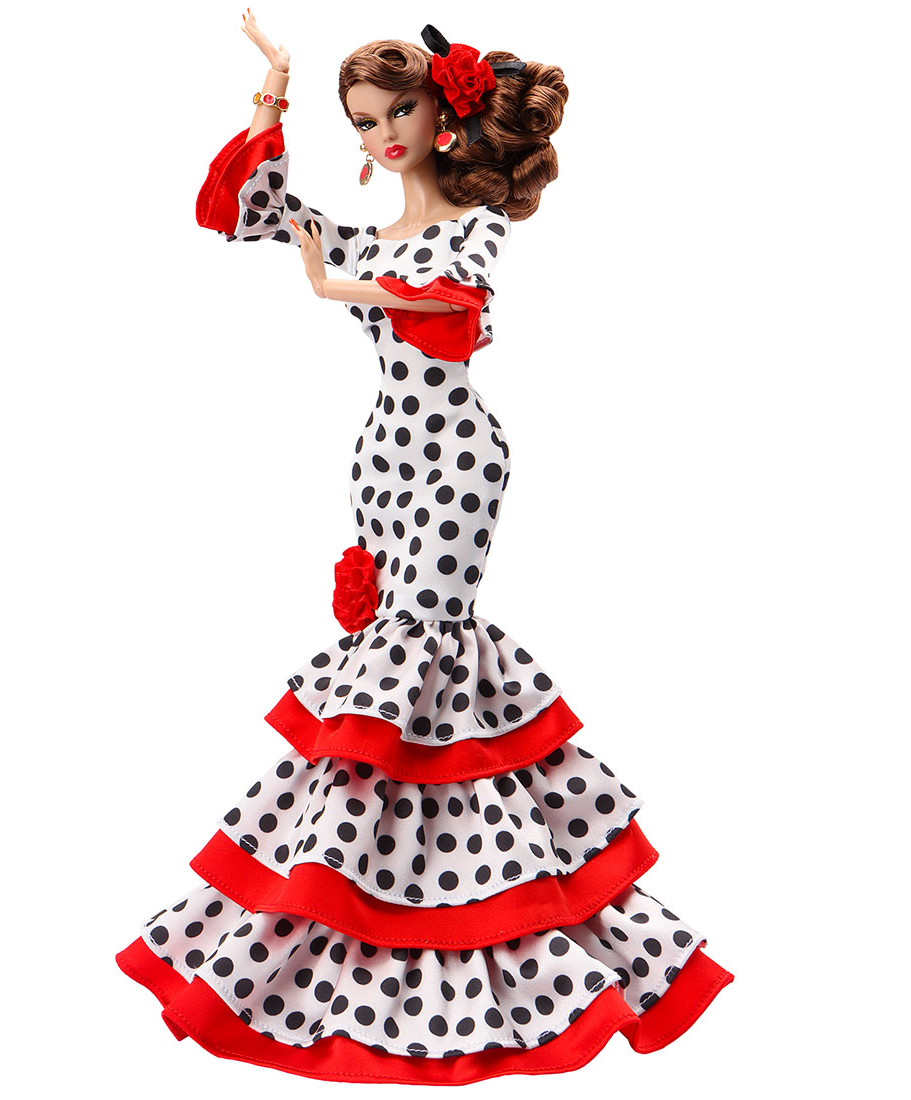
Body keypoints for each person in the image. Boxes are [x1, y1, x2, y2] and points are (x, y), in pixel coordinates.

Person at [116, 14, 733, 1084]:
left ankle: (500, 902)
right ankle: (390, 887)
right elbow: (250, 211)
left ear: (442, 112)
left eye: (396, 109)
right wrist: (274, 88)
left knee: (429, 655)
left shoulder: (471, 230)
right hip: (382, 456)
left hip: (455, 452)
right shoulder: (364, 238)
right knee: (386, 671)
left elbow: (451, 307)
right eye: (362, 120)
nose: (381, 133)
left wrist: (337, 287)